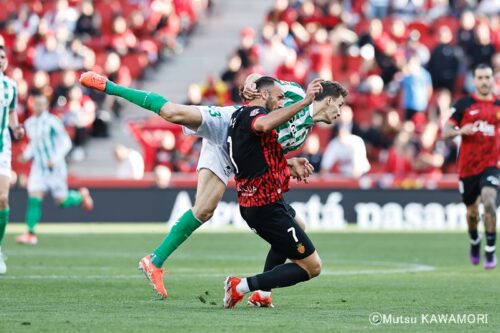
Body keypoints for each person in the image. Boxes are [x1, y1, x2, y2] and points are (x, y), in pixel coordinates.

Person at [79, 71, 346, 303]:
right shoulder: (295, 92)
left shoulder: (302, 134)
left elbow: (263, 155)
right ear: (329, 99)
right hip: (234, 122)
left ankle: (158, 262)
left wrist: (289, 164)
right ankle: (109, 87)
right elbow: (261, 84)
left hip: (235, 151)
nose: (340, 113)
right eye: (340, 105)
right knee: (173, 112)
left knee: (206, 210)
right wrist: (249, 82)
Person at [223, 76, 328, 308]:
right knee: (312, 267)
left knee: (298, 223)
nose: (282, 103)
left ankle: (262, 294)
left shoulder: (239, 118)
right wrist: (304, 102)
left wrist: (289, 164)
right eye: (280, 98)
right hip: (266, 206)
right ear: (263, 95)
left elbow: (259, 158)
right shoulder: (253, 116)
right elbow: (262, 124)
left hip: (256, 202)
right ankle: (241, 286)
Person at [16, 92, 94, 245]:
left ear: (46, 105)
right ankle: (30, 233)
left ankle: (80, 196)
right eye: (36, 104)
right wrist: (26, 156)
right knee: (34, 198)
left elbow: (66, 142)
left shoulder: (52, 122)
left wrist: (55, 159)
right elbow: (34, 144)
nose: (38, 106)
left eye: (41, 104)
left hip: (55, 169)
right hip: (39, 169)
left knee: (61, 201)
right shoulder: (30, 123)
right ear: (32, 104)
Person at [442, 64, 499, 269]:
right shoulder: (464, 104)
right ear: (474, 81)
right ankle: (475, 240)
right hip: (467, 167)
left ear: (493, 80)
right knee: (472, 212)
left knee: (489, 201)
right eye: (480, 78)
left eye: (487, 77)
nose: (484, 81)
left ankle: (490, 250)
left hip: (492, 164)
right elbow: (445, 131)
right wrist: (460, 130)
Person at [0, 45, 25, 274]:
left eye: (2, 56)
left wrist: (16, 129)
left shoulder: (10, 86)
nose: (0, 60)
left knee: (2, 198)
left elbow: (10, 114)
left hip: (2, 148)